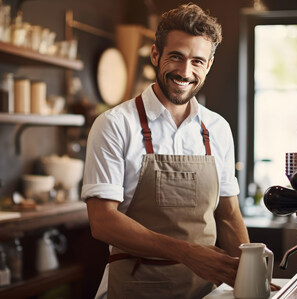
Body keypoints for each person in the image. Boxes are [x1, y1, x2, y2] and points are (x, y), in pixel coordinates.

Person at [83, 3, 276, 298]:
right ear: (156, 54)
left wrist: (249, 274)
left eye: (198, 61)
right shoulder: (114, 124)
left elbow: (228, 213)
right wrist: (188, 253)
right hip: (137, 288)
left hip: (205, 291)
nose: (185, 71)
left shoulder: (217, 129)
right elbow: (103, 221)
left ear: (208, 65)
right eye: (176, 57)